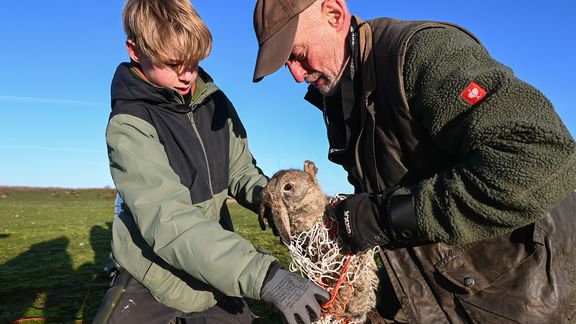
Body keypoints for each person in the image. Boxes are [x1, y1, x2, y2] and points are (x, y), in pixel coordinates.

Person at [252, 0, 576, 323]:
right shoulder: (340, 99)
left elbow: (537, 155)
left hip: (527, 297)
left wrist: (383, 217)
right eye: (286, 65)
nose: (296, 75)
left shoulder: (422, 52)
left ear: (334, 14)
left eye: (297, 54)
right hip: (444, 296)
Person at [93, 0, 329, 323]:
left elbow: (241, 171)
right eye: (174, 63)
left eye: (194, 60)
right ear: (135, 51)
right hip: (151, 278)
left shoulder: (212, 100)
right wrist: (264, 275)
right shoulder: (129, 125)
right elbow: (170, 224)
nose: (188, 74)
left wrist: (278, 202)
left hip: (214, 269)